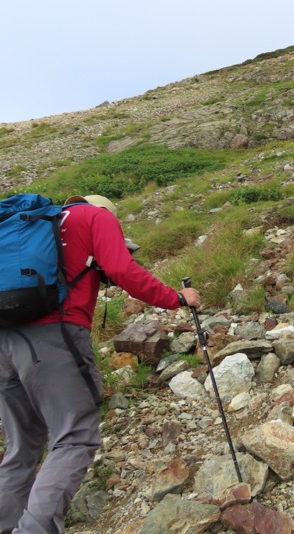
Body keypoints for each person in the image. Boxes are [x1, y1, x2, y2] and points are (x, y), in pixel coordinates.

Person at [0, 194, 201, 534]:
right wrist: (178, 298)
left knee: (22, 445)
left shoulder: (37, 224)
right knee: (74, 437)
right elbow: (122, 268)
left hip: (5, 340)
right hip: (55, 337)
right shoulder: (96, 217)